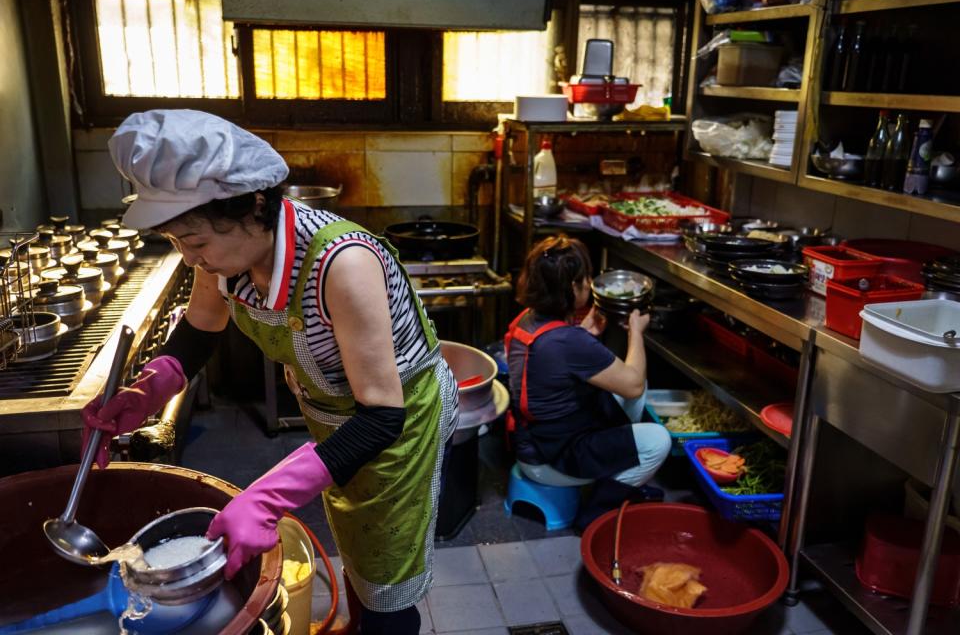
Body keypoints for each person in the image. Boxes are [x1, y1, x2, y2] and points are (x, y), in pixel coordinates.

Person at [80, 109, 458, 634]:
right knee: (354, 540)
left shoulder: (342, 264)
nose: (192, 261)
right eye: (177, 244)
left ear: (254, 206)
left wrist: (267, 496)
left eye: (197, 242)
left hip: (398, 419)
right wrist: (145, 392)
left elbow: (381, 417)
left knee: (387, 568)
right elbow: (201, 329)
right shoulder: (230, 259)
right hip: (331, 413)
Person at [504, 235, 671, 527]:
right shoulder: (569, 341)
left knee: (623, 393)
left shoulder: (526, 321)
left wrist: (585, 331)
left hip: (532, 442)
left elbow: (550, 361)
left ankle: (614, 467)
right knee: (657, 439)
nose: (590, 282)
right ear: (572, 288)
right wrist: (636, 332)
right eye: (586, 278)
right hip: (552, 460)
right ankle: (599, 510)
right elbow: (634, 384)